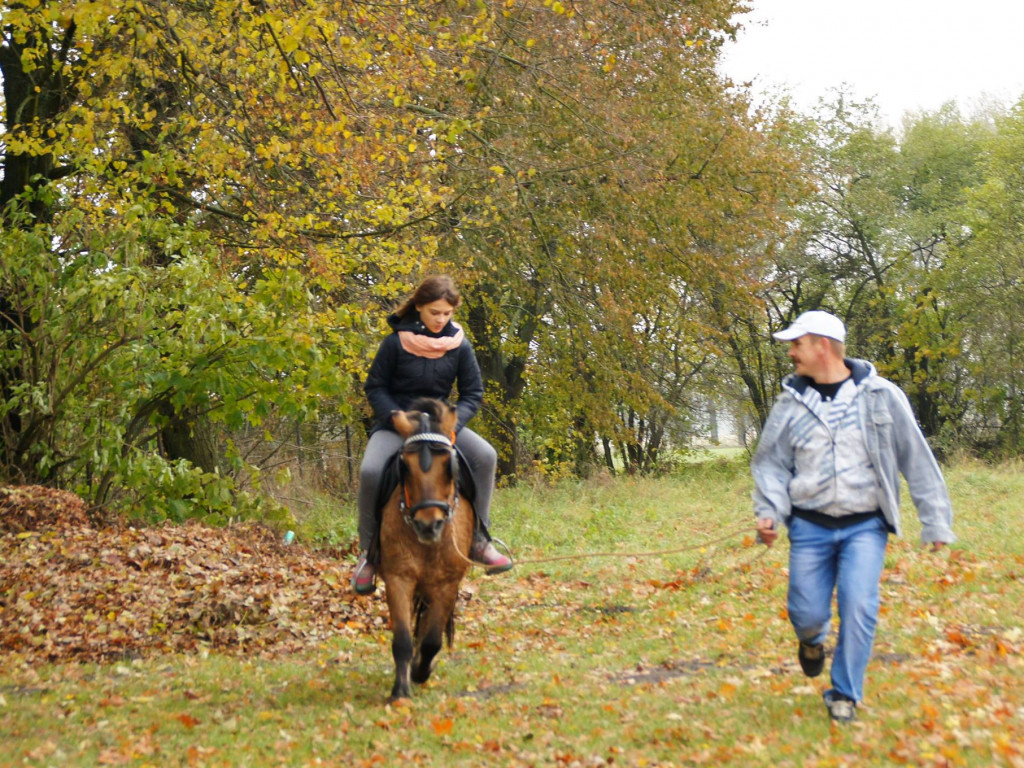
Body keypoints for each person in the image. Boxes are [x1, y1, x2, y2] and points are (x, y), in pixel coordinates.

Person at [751, 310, 955, 723]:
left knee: (859, 605)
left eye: (797, 344)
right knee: (806, 613)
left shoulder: (882, 396)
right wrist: (769, 512)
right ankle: (812, 642)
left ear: (822, 345)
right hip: (809, 524)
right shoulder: (789, 403)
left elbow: (916, 458)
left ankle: (844, 692)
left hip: (866, 524)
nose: (791, 353)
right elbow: (770, 464)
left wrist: (935, 521)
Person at [351, 275, 513, 595]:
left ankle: (480, 541)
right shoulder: (395, 343)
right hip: (397, 425)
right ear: (420, 307)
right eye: (434, 312)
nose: (440, 320)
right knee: (370, 470)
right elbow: (375, 387)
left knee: (486, 456)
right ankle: (368, 555)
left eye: (447, 314)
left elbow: (473, 393)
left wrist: (454, 423)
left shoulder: (459, 345)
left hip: (440, 426)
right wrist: (394, 416)